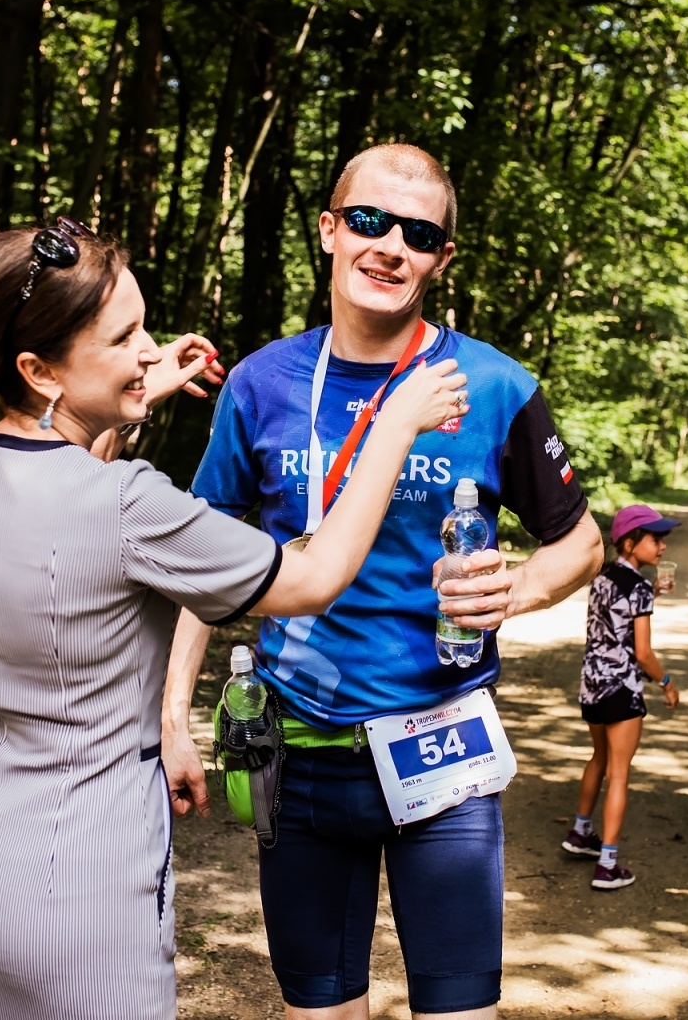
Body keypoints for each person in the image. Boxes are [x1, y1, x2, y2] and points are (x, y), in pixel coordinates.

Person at [0, 219, 467, 1020]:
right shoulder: (130, 505)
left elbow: (58, 489)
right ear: (39, 369)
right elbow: (312, 579)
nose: (148, 349)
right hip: (77, 897)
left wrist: (127, 391)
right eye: (126, 337)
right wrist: (391, 426)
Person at [165, 143, 603, 1020]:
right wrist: (173, 713)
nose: (390, 245)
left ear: (441, 257)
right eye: (368, 221)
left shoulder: (493, 385)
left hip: (444, 750)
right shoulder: (258, 384)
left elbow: (582, 543)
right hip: (306, 750)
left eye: (418, 232)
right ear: (329, 231)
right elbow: (202, 558)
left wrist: (514, 592)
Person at [562, 505, 681, 889]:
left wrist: (652, 595)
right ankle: (608, 864)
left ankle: (580, 833)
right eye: (655, 540)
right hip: (623, 690)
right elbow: (643, 653)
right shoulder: (639, 588)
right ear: (630, 543)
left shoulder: (603, 577)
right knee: (620, 774)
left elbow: (614, 623)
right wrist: (666, 683)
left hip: (593, 686)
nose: (662, 547)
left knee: (599, 758)